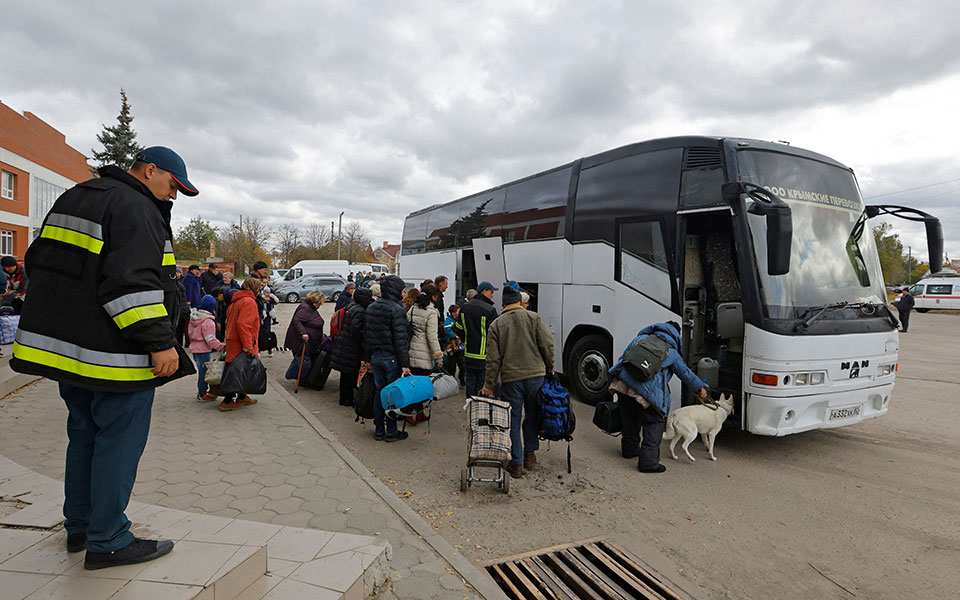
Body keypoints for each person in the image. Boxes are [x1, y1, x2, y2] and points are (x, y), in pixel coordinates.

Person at [10, 145, 199, 568]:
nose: (172, 196)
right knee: (118, 442)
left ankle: (79, 525)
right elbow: (130, 285)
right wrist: (159, 343)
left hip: (70, 353)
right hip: (115, 357)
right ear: (150, 171)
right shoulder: (135, 209)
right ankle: (109, 538)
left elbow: (38, 262)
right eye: (173, 186)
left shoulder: (76, 196)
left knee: (84, 434)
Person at [608, 322, 708, 474]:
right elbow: (685, 374)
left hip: (624, 386)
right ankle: (648, 463)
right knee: (654, 422)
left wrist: (611, 378)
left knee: (629, 418)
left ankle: (630, 450)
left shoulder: (640, 339)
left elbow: (623, 359)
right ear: (676, 336)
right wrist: (699, 388)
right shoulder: (672, 352)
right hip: (647, 394)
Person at [481, 286, 555, 478]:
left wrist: (489, 385)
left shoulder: (496, 325)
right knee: (532, 416)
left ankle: (516, 464)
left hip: (511, 380)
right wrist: (550, 367)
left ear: (503, 304)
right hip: (535, 377)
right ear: (519, 301)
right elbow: (547, 344)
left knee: (512, 421)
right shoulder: (534, 318)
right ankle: (530, 454)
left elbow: (493, 360)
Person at [363, 274, 411, 442]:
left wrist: (367, 359)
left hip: (375, 356)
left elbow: (367, 336)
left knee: (379, 393)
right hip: (391, 357)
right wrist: (405, 364)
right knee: (391, 395)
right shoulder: (396, 310)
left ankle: (378, 430)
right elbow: (400, 339)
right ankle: (391, 431)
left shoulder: (371, 307)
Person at [221, 277, 262, 411]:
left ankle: (241, 396)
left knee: (236, 370)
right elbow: (243, 324)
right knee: (238, 372)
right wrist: (248, 345)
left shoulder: (235, 301)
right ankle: (227, 401)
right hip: (241, 343)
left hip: (233, 341)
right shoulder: (249, 302)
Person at [454, 281, 498, 397]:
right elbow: (495, 334)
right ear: (484, 292)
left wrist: (465, 339)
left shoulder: (464, 308)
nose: (492, 295)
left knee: (470, 382)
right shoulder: (490, 310)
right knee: (482, 385)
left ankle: (470, 408)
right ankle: (479, 410)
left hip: (468, 354)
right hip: (484, 356)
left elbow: (458, 328)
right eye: (491, 292)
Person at [331, 287, 374, 406]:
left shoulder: (351, 306)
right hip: (352, 346)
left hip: (345, 344)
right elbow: (356, 329)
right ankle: (348, 400)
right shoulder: (360, 310)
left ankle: (344, 398)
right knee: (350, 374)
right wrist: (363, 338)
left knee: (345, 374)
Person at [187, 294, 226, 401]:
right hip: (203, 349)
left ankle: (202, 391)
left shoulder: (194, 318)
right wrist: (221, 347)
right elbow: (210, 339)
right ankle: (202, 393)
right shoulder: (208, 322)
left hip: (195, 348)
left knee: (202, 370)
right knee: (204, 373)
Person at [284, 290, 326, 374]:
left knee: (304, 361)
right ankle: (297, 376)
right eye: (319, 304)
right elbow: (297, 320)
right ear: (314, 302)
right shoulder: (306, 308)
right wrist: (303, 333)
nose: (319, 306)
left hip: (310, 342)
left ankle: (303, 377)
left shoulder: (309, 307)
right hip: (302, 342)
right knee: (302, 362)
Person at [408, 284, 443, 376]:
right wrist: (438, 356)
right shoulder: (431, 312)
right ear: (433, 296)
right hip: (425, 354)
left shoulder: (412, 308)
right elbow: (432, 337)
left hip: (411, 351)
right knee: (422, 385)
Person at [443, 305, 465, 385]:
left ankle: (461, 378)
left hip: (461, 346)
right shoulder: (448, 321)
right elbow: (447, 330)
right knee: (451, 366)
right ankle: (451, 381)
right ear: (453, 313)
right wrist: (455, 337)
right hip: (452, 346)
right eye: (458, 312)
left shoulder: (461, 320)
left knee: (462, 365)